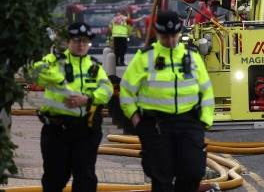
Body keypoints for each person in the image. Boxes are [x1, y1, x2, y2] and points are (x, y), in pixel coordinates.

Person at [120, 10, 214, 192]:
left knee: (193, 172)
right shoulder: (145, 57)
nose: (170, 41)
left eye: (173, 36)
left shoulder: (192, 56)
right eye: (165, 37)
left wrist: (204, 121)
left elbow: (206, 90)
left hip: (189, 122)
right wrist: (135, 119)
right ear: (157, 33)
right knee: (162, 177)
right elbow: (126, 90)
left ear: (179, 33)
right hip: (156, 126)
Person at [31, 22, 112, 192]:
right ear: (68, 42)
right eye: (76, 41)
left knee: (85, 178)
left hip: (85, 130)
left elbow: (107, 90)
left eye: (85, 41)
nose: (81, 45)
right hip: (57, 130)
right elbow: (36, 71)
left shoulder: (95, 67)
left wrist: (88, 99)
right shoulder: (55, 60)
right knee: (55, 178)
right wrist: (59, 80)